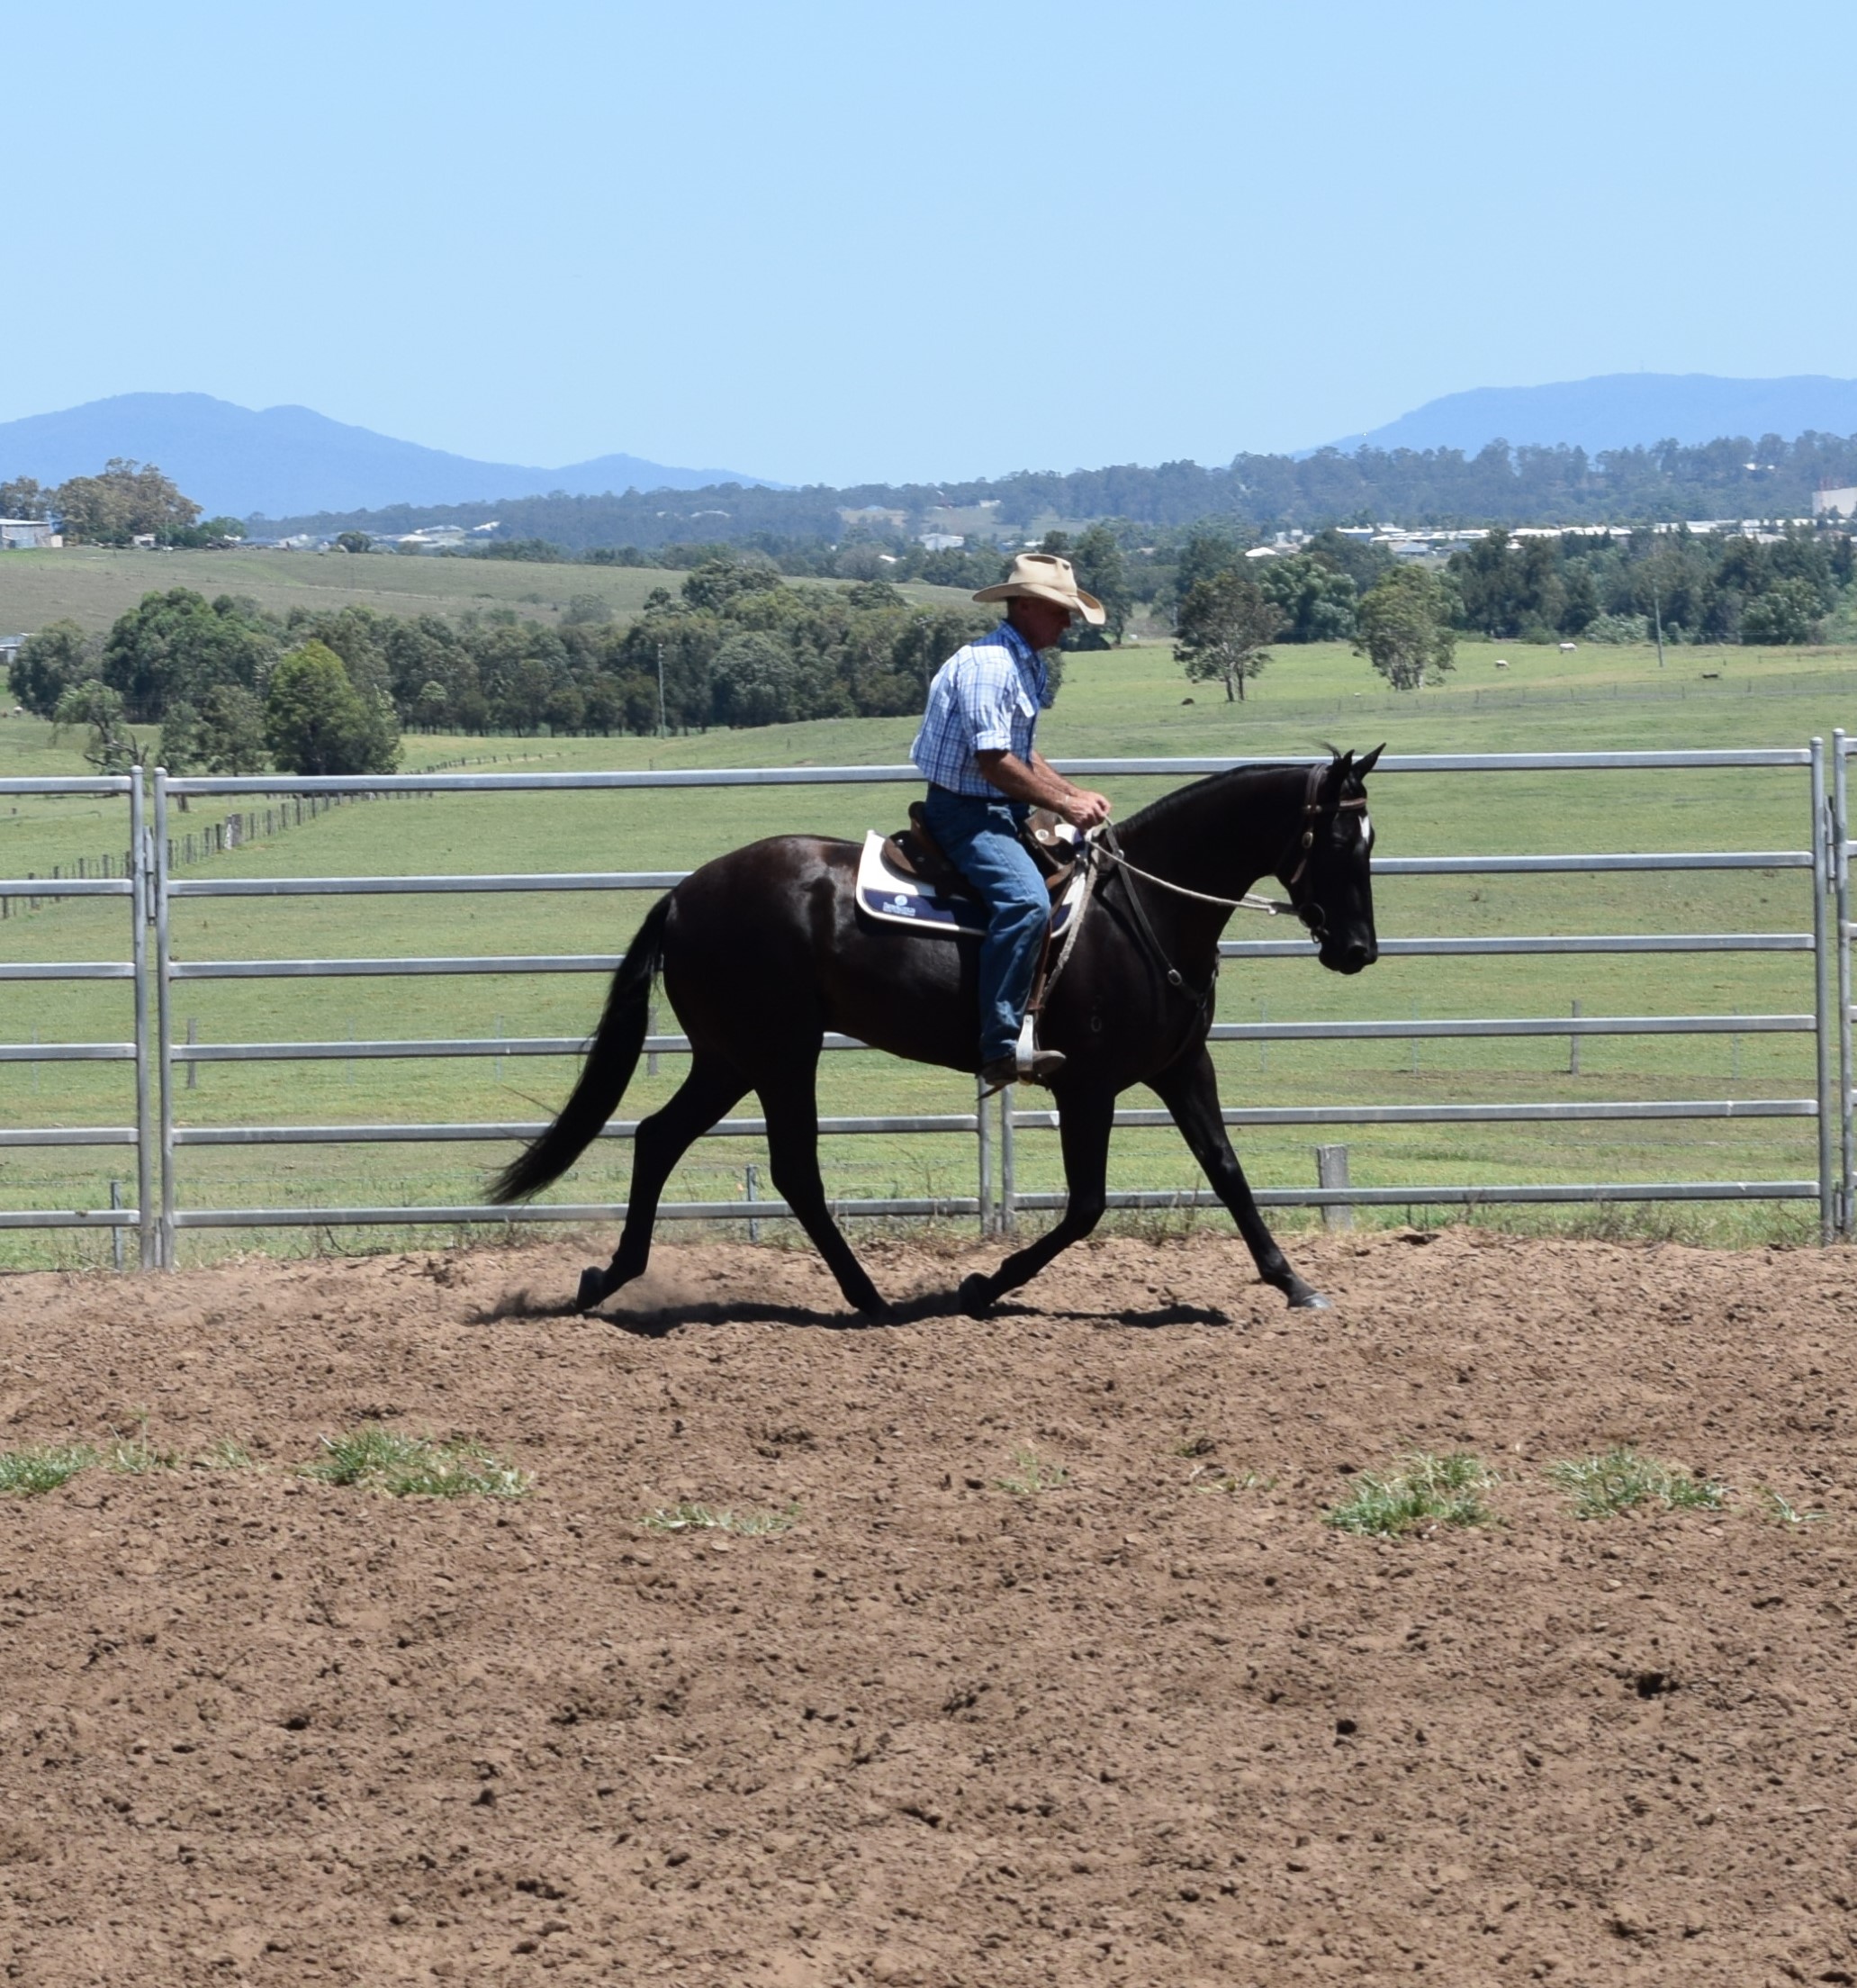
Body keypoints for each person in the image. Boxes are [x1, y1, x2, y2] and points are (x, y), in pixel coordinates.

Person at [909, 551, 1114, 1093]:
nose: (1067, 622)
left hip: (1001, 805)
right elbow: (994, 761)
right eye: (1059, 610)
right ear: (1025, 605)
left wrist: (1071, 793)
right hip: (965, 813)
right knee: (1025, 902)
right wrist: (1065, 806)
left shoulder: (1024, 662)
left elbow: (1020, 753)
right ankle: (999, 1044)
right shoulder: (991, 667)